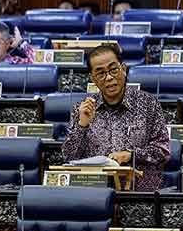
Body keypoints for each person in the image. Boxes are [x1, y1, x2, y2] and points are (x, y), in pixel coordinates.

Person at [61, 44, 171, 191]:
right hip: (95, 192)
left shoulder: (148, 104)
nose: (109, 78)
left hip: (139, 192)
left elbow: (162, 151)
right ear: (92, 78)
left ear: (123, 69)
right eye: (100, 73)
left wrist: (131, 155)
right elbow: (69, 157)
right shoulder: (83, 109)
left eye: (113, 70)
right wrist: (82, 125)